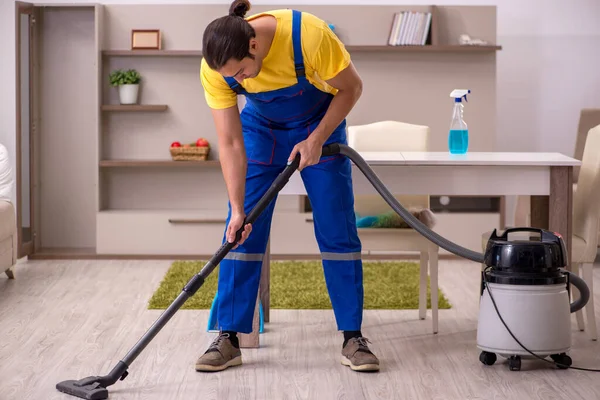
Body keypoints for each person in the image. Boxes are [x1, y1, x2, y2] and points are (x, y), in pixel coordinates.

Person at [196, 0, 379, 373]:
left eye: (243, 72)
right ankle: (229, 337)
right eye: (235, 78)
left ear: (253, 45)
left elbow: (351, 88)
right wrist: (236, 208)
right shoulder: (215, 68)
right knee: (241, 231)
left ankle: (353, 337)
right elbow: (230, 143)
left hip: (319, 124)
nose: (242, 80)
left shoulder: (308, 35)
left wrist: (316, 139)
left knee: (336, 226)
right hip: (261, 131)